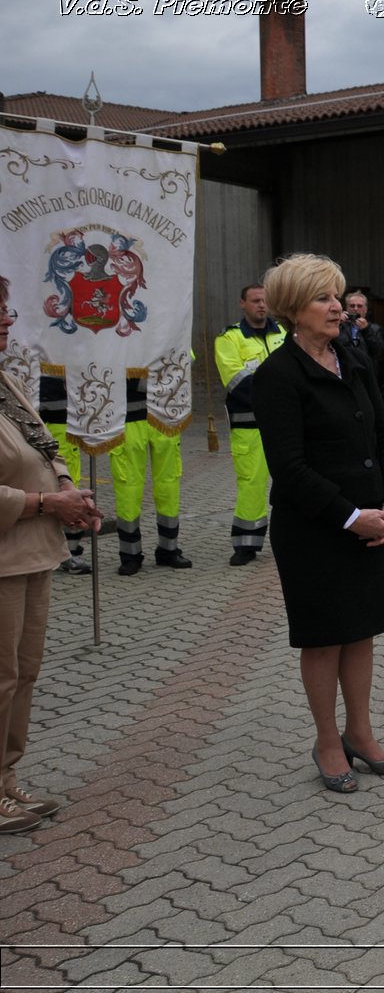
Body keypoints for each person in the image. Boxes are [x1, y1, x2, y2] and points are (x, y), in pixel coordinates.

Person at [253, 255, 384, 793]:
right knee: (323, 639)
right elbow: (289, 470)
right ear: (292, 310)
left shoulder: (352, 357)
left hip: (370, 522)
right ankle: (326, 742)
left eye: (337, 297)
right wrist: (351, 518)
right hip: (316, 530)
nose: (337, 307)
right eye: (323, 298)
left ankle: (360, 734)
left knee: (361, 632)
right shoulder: (277, 377)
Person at [0, 276, 102, 833]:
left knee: (23, 673)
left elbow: (45, 445)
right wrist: (45, 500)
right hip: (5, 556)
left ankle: (7, 780)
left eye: (6, 311)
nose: (6, 321)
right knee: (0, 676)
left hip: (34, 550)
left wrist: (71, 495)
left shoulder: (6, 381)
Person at [215, 284, 287, 566]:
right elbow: (236, 381)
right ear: (242, 303)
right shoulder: (229, 338)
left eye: (266, 301)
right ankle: (246, 544)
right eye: (256, 301)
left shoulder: (283, 333)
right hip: (249, 425)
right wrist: (280, 394)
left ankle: (293, 538)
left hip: (285, 424)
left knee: (293, 483)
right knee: (251, 485)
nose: (262, 306)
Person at [108, 375, 190, 576]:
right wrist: (159, 380)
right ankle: (130, 555)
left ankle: (169, 550)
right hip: (127, 417)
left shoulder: (170, 340)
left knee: (168, 486)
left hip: (165, 415)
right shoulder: (116, 341)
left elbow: (184, 359)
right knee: (128, 489)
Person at [36, 375, 91, 574]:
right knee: (58, 485)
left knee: (66, 484)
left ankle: (70, 553)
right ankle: (67, 555)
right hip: (49, 417)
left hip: (58, 416)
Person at [342, 290, 384, 378]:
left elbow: (380, 352)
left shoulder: (375, 329)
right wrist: (337, 323)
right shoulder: (339, 327)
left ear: (365, 310)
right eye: (352, 306)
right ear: (346, 309)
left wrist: (366, 330)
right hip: (345, 372)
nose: (355, 309)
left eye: (359, 306)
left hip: (366, 374)